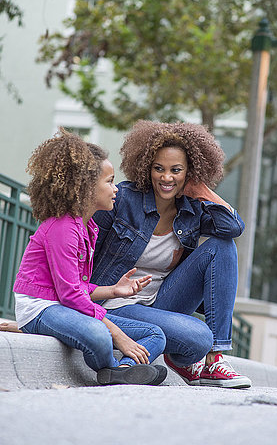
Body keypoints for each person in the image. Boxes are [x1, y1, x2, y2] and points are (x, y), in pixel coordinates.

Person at [91, 120, 251, 388]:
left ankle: (215, 360)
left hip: (162, 302)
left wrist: (201, 190)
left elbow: (233, 228)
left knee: (222, 246)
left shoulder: (192, 210)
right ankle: (185, 358)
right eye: (159, 169)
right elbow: (88, 252)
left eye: (176, 170)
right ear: (147, 167)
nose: (166, 178)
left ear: (190, 172)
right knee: (198, 336)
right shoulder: (123, 200)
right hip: (117, 303)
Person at [13, 128, 167, 386]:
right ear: (85, 187)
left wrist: (113, 291)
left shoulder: (88, 227)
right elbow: (70, 294)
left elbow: (77, 287)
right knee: (100, 334)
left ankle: (121, 370)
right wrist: (115, 332)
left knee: (155, 334)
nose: (115, 188)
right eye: (109, 181)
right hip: (40, 308)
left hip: (63, 305)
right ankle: (112, 368)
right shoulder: (62, 227)